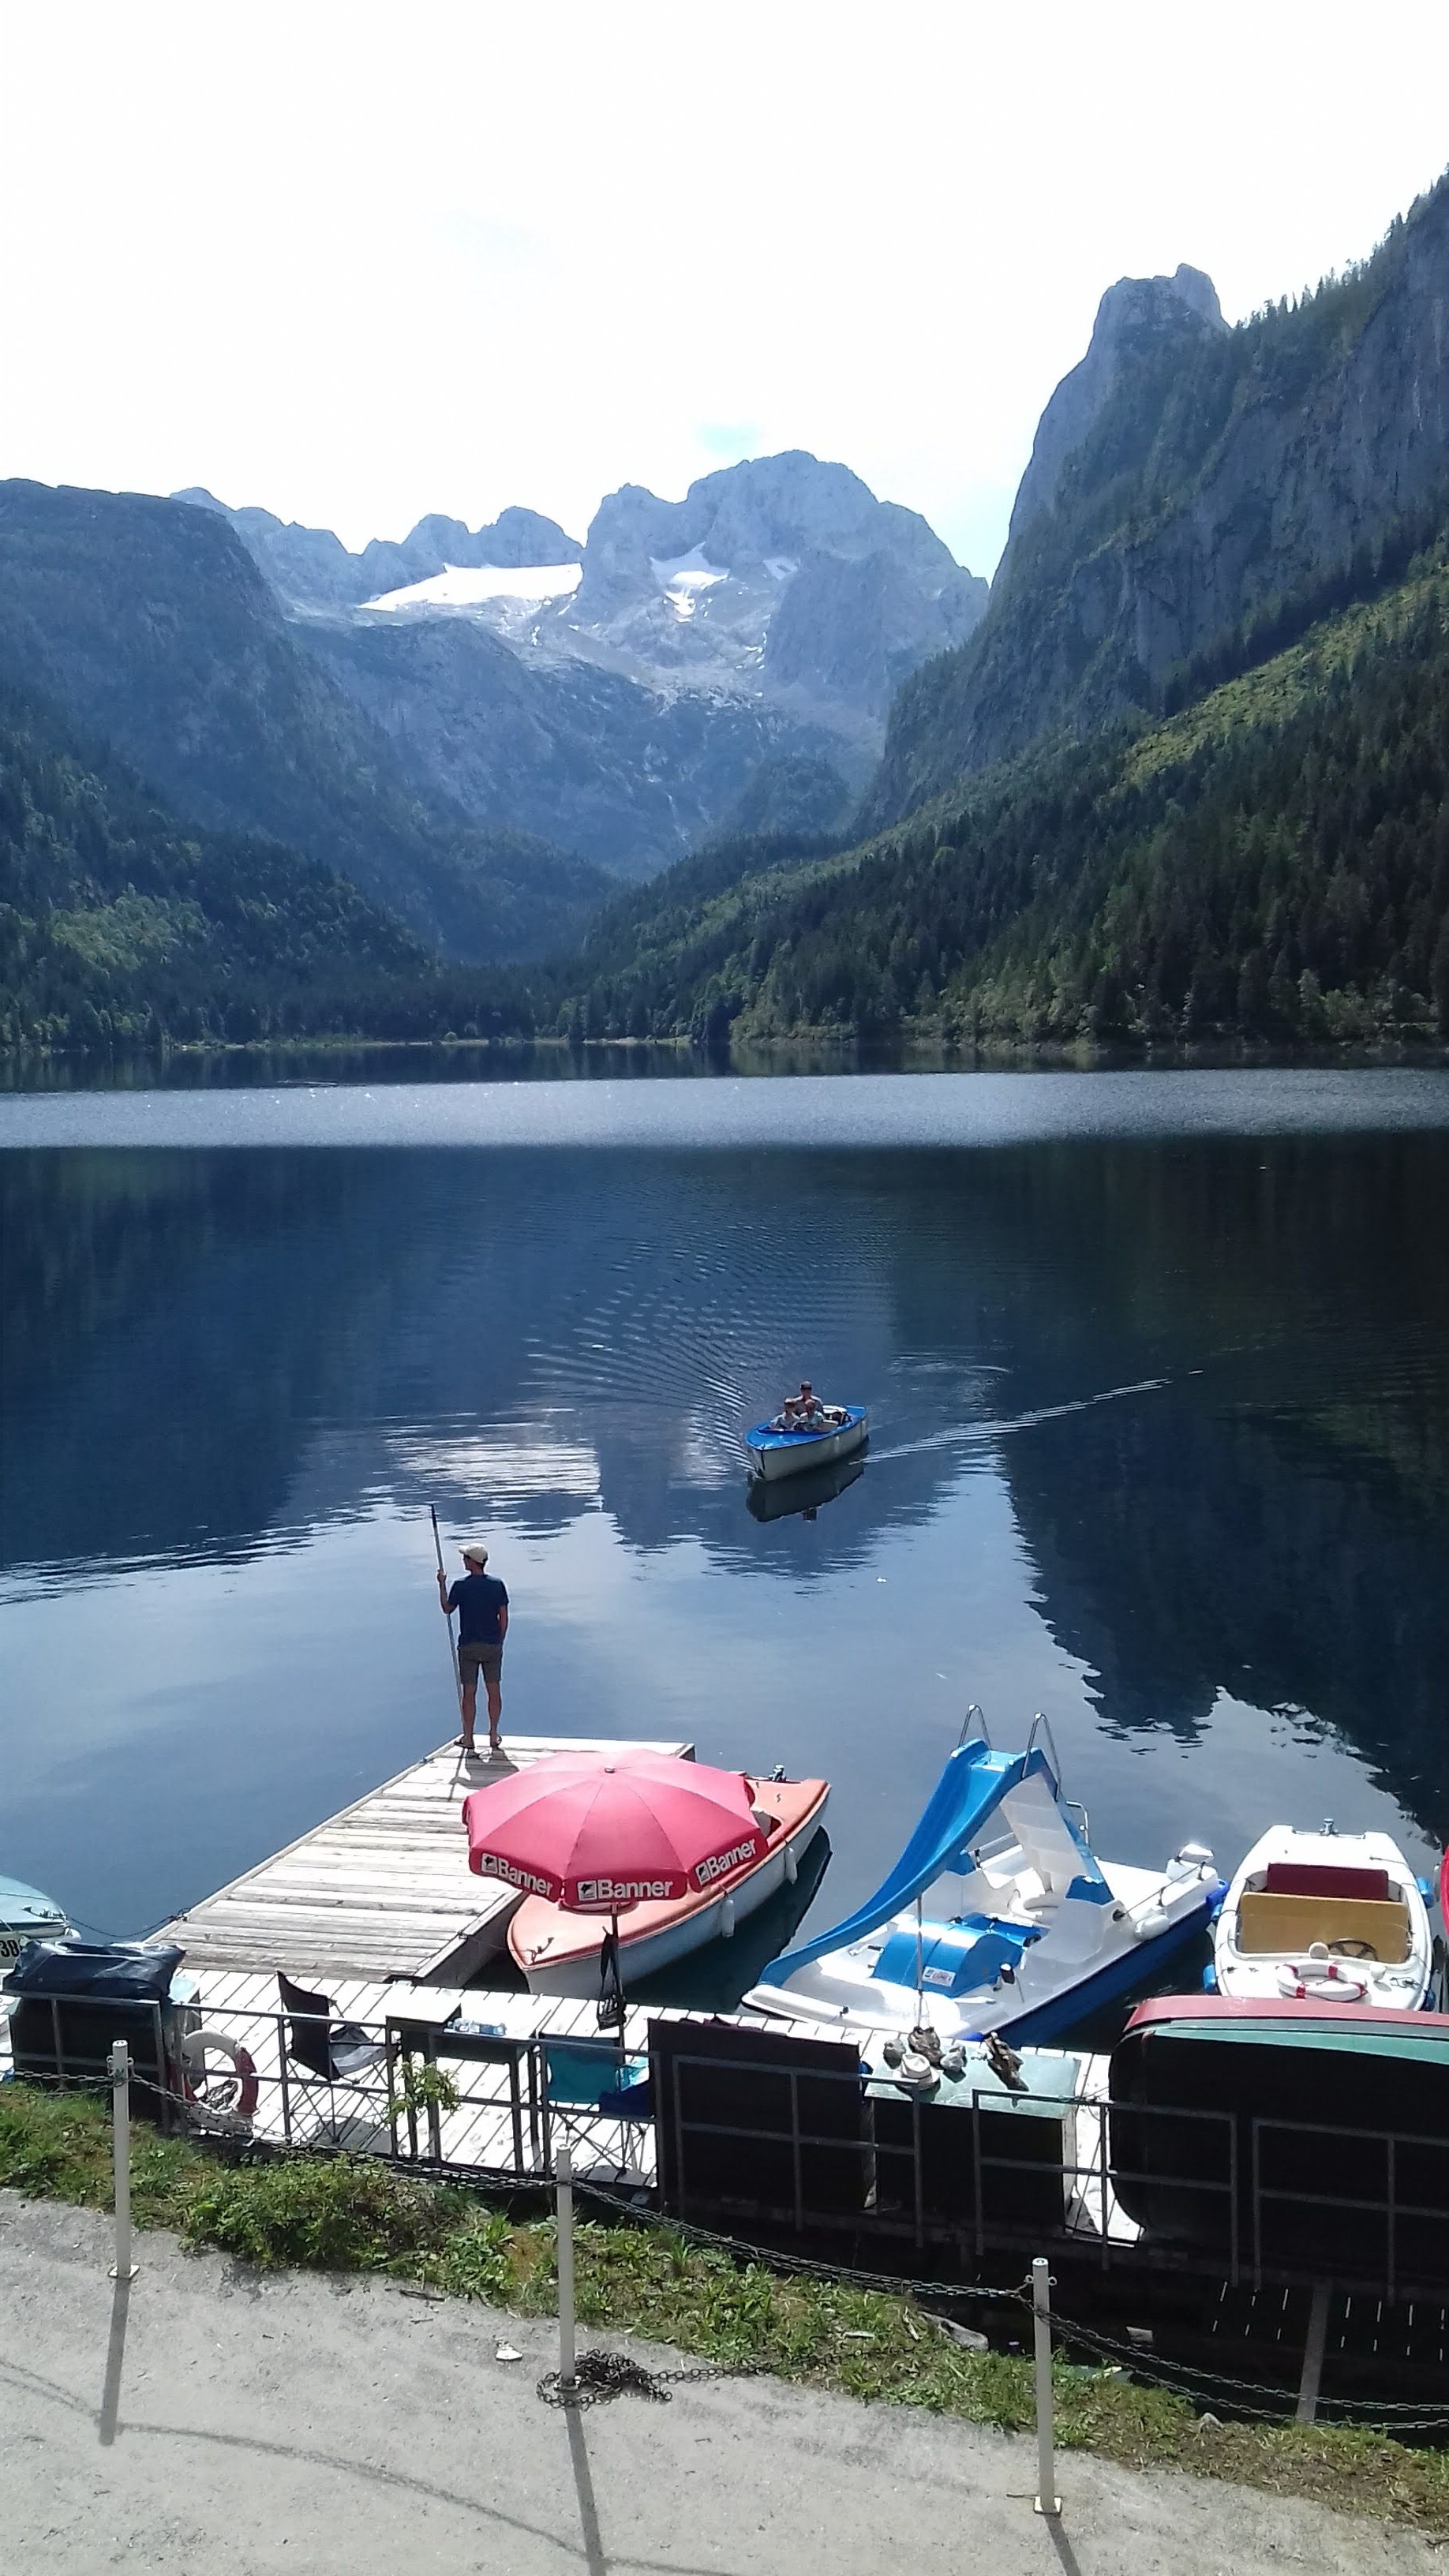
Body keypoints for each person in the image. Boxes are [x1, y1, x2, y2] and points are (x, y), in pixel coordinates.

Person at [438, 1543, 509, 1758]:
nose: (463, 1560)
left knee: (469, 1692)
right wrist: (499, 1640)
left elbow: (447, 1609)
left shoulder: (461, 1586)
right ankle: (493, 1734)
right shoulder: (497, 1585)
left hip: (468, 1645)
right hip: (492, 1645)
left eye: (466, 1557)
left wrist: (442, 1585)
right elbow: (503, 1617)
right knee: (493, 1690)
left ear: (472, 1562)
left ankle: (468, 1737)